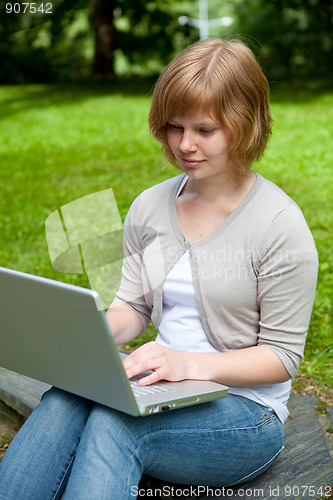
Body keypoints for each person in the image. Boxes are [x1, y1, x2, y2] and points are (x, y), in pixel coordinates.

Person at [0, 38, 318, 500]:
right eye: (174, 126)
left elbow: (281, 358)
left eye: (205, 130)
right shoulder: (151, 206)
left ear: (245, 126)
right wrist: (89, 337)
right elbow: (134, 304)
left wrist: (185, 363)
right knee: (66, 396)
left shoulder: (278, 225)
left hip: (246, 414)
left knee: (117, 423)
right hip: (161, 386)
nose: (185, 144)